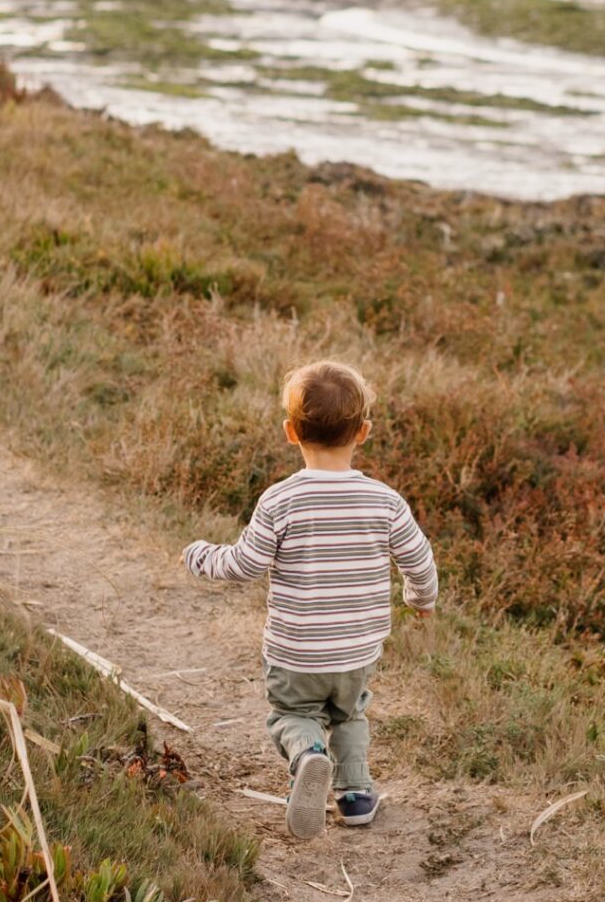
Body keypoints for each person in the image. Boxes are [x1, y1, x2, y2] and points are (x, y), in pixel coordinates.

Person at [182, 359, 438, 839]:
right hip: (356, 651)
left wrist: (200, 556)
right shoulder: (385, 501)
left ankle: (307, 756)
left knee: (293, 715)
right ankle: (356, 796)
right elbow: (420, 560)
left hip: (296, 650)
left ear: (290, 432)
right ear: (363, 432)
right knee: (350, 714)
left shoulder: (280, 500)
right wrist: (420, 597)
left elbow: (244, 564)